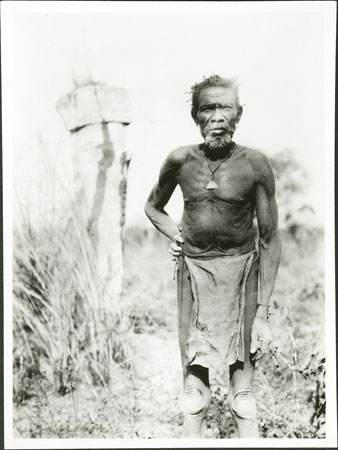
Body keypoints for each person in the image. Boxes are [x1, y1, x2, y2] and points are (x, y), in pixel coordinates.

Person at [144, 75, 281, 438]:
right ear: (195, 116)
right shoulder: (179, 160)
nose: (218, 117)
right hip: (194, 271)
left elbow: (268, 238)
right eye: (209, 108)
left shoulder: (255, 164)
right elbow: (153, 206)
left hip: (243, 273)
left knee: (244, 396)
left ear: (239, 115)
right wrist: (176, 233)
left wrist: (263, 313)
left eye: (226, 108)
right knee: (192, 391)